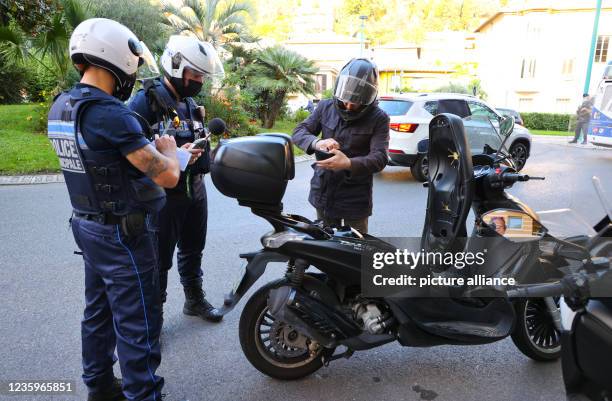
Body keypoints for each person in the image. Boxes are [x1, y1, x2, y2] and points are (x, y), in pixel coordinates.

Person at [48, 18, 181, 401]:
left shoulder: (62, 106)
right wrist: (169, 153)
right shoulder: (110, 114)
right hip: (122, 234)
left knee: (98, 313)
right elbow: (167, 177)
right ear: (119, 60)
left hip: (87, 227)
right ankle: (144, 394)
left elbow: (98, 162)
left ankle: (100, 387)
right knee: (137, 320)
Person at [129, 35, 225, 323]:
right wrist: (176, 157)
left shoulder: (189, 102)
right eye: (195, 74)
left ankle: (194, 300)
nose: (199, 80)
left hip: (194, 188)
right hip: (162, 195)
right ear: (174, 66)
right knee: (158, 260)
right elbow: (132, 154)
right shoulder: (145, 102)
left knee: (193, 248)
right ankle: (152, 318)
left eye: (203, 75)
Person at [292, 58, 390, 234]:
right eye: (346, 99)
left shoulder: (379, 118)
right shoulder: (325, 107)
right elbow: (299, 131)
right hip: (323, 192)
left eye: (356, 102)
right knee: (325, 249)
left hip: (355, 199)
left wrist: (349, 164)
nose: (349, 105)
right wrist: (317, 142)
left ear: (369, 97)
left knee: (355, 251)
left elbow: (380, 157)